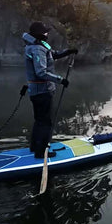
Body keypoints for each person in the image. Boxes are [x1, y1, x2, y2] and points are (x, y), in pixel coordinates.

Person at [23, 21, 78, 158]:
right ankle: (41, 152)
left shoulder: (38, 46)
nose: (47, 33)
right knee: (45, 121)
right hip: (42, 91)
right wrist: (60, 80)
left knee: (39, 120)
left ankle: (34, 147)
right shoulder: (37, 49)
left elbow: (54, 54)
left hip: (37, 91)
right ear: (40, 34)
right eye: (45, 32)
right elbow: (41, 72)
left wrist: (68, 51)